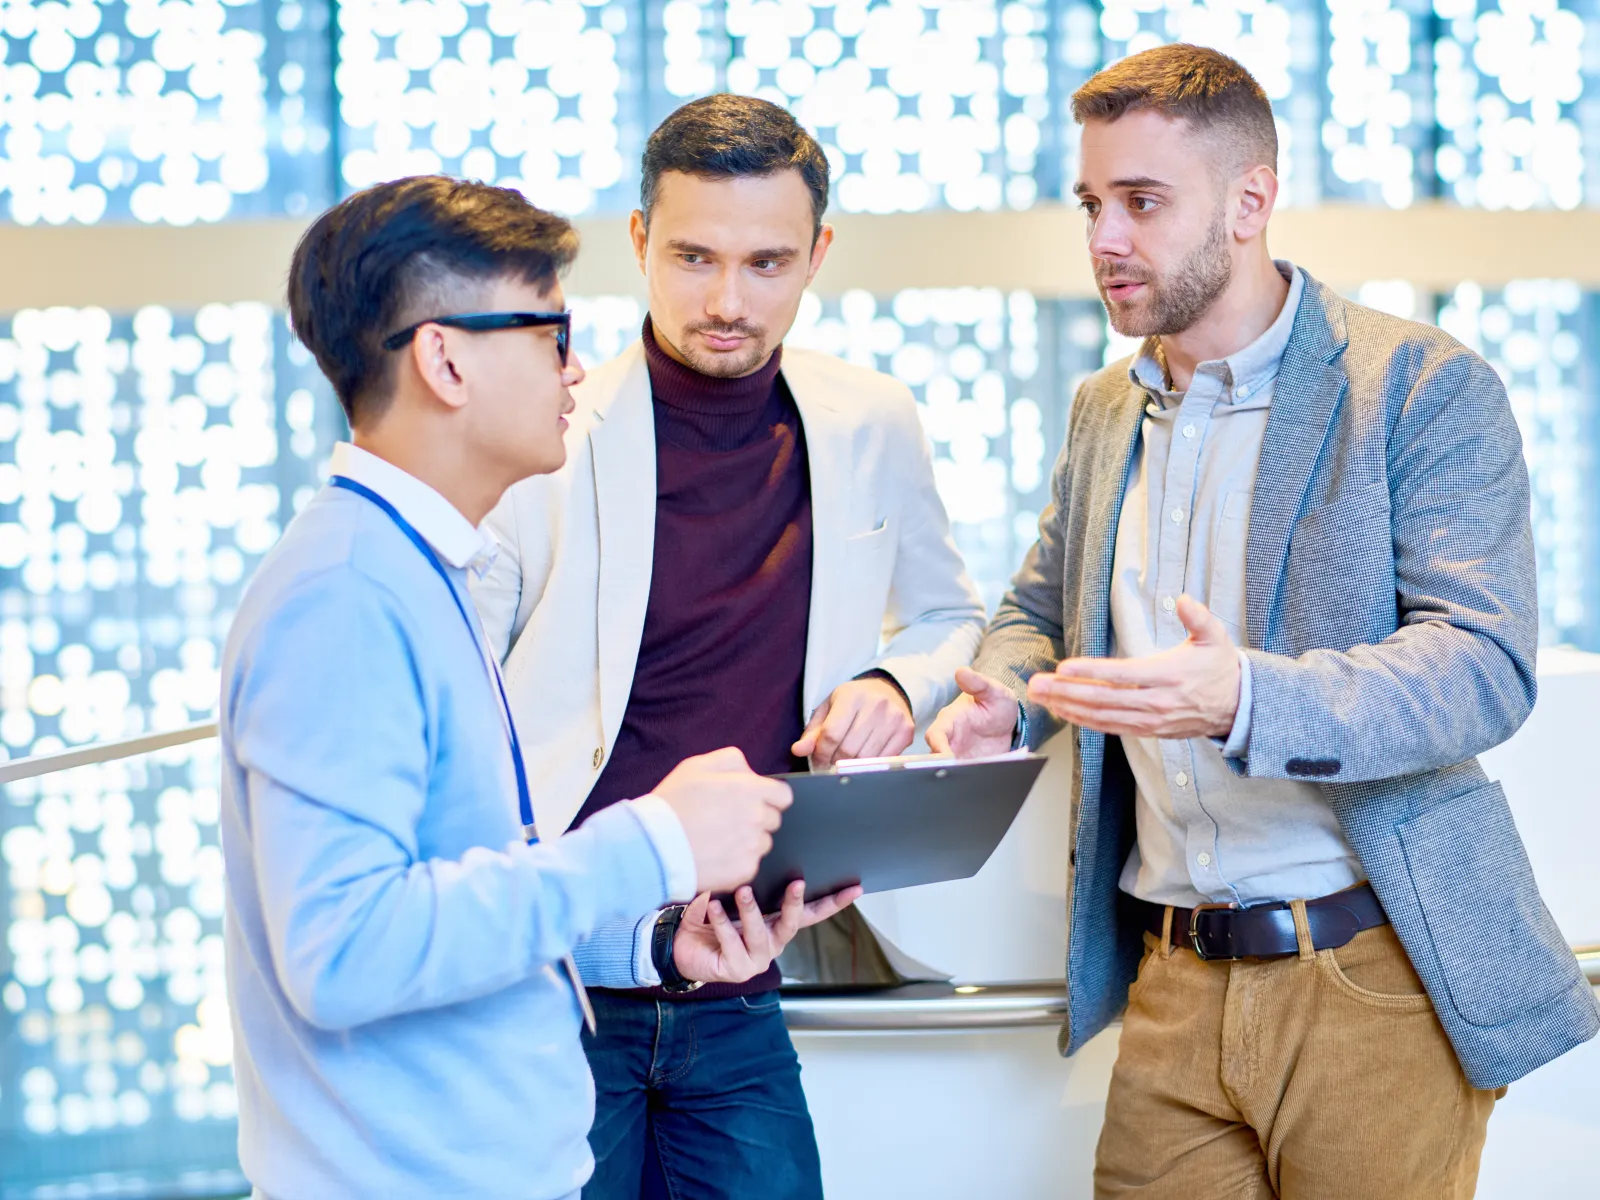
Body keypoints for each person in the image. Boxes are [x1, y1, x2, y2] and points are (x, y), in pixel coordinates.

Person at [927, 43, 1599, 1200]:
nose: (1103, 241)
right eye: (1092, 203)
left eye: (1141, 202)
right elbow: (1037, 608)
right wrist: (998, 695)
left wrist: (1244, 696)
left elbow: (1481, 663)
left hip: (1373, 973)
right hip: (1174, 977)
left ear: (1250, 201)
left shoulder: (1419, 385)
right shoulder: (1102, 411)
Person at [219, 175, 797, 1200]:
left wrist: (650, 937)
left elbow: (465, 888)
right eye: (547, 333)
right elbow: (346, 951)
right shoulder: (346, 596)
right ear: (443, 357)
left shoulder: (419, 568)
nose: (576, 370)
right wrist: (653, 840)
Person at [471, 95, 986, 1199]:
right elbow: (463, 713)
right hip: (558, 976)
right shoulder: (541, 438)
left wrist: (897, 679)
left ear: (818, 256)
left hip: (743, 973)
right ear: (639, 242)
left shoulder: (870, 419)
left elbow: (951, 616)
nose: (724, 300)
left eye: (765, 263)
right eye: (693, 257)